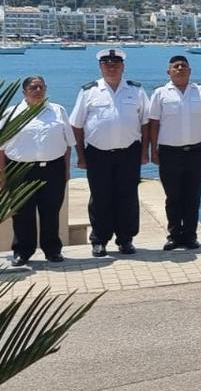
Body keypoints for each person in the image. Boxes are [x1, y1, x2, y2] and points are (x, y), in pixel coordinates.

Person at [70, 48, 149, 257]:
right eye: (107, 64)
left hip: (129, 152)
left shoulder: (136, 90)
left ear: (123, 67)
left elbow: (146, 123)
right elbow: (76, 126)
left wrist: (144, 152)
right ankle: (99, 240)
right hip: (97, 153)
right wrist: (80, 155)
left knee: (128, 196)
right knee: (100, 197)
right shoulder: (89, 91)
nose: (111, 68)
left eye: (115, 64)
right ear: (100, 67)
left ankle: (126, 240)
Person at [147, 55, 201, 250]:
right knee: (173, 197)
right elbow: (154, 123)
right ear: (168, 72)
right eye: (176, 66)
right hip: (169, 152)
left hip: (196, 151)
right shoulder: (160, 93)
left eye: (184, 66)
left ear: (190, 71)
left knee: (193, 196)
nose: (180, 69)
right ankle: (174, 235)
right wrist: (153, 149)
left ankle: (190, 236)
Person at [1, 76, 73, 264]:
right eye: (33, 87)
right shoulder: (11, 113)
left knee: (51, 211)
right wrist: (2, 173)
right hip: (20, 170)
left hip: (52, 168)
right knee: (22, 213)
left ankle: (52, 250)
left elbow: (68, 144)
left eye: (41, 87)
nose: (38, 90)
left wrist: (66, 170)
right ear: (24, 92)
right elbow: (1, 147)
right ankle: (22, 252)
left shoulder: (58, 111)